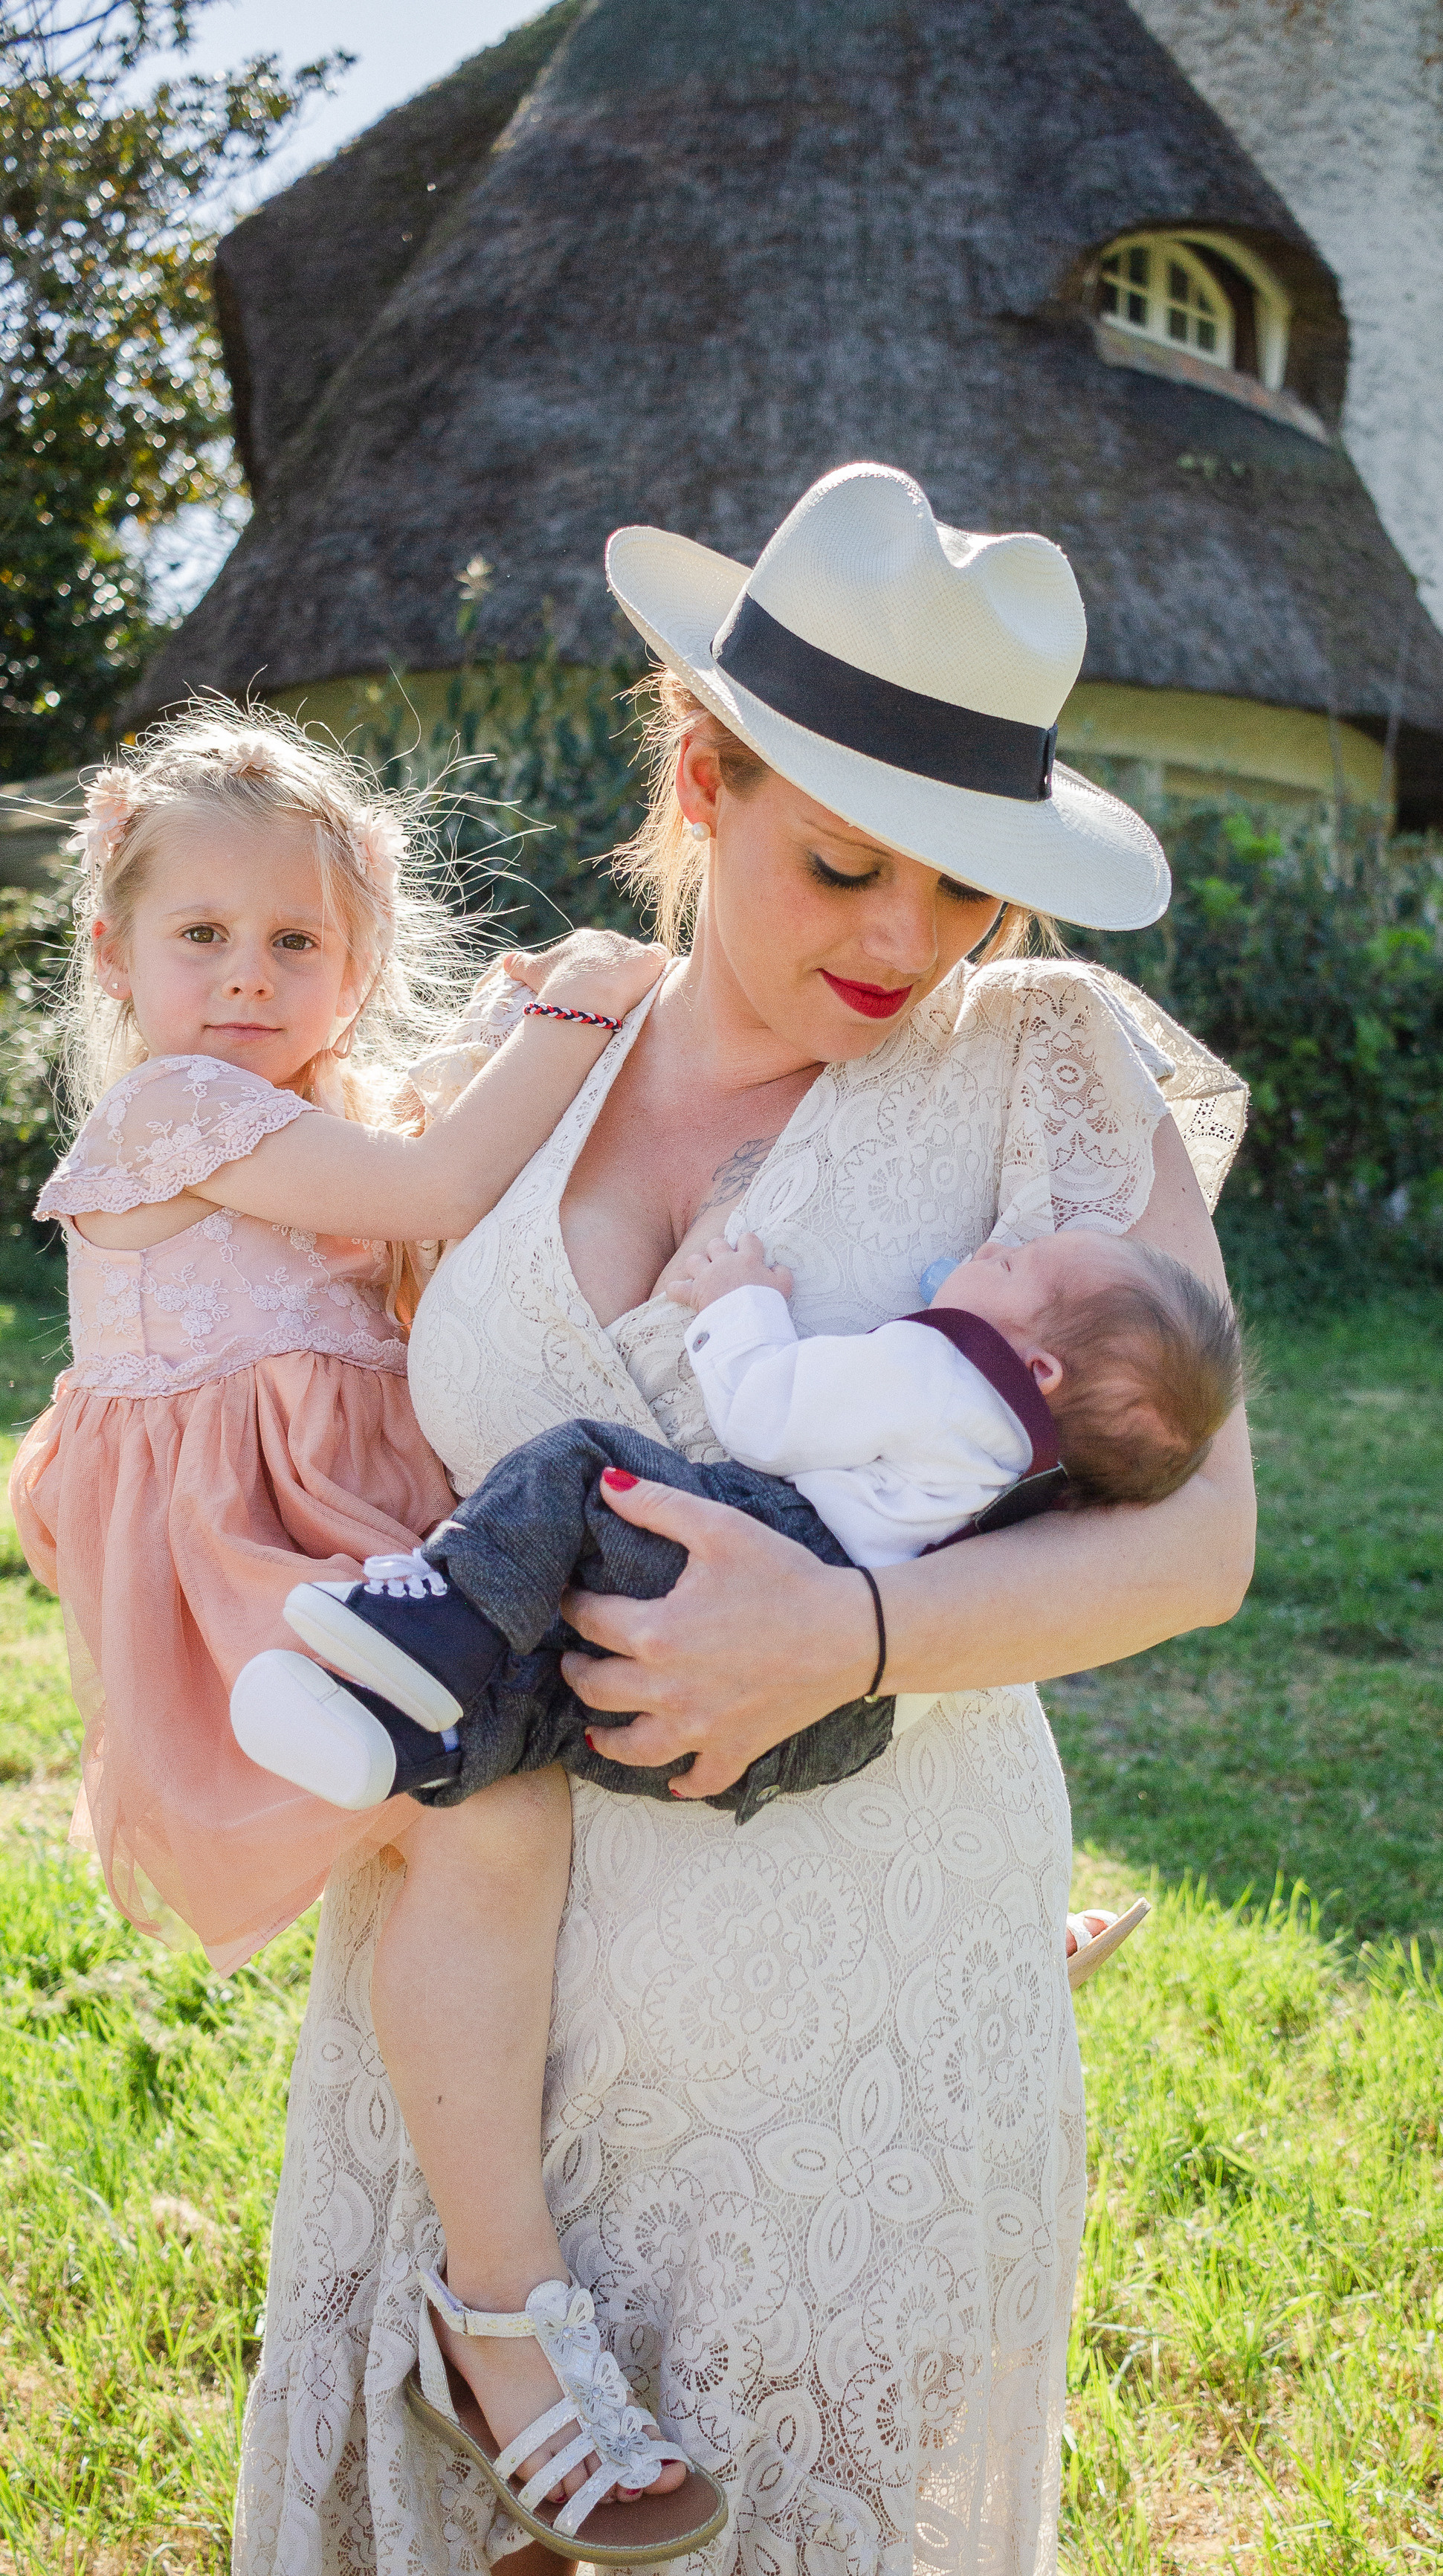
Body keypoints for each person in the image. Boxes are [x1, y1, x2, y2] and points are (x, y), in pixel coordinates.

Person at [235, 461, 1256, 2576]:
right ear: (703, 777)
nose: (908, 944)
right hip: (475, 2020)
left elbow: (1195, 1548)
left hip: (844, 2017)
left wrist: (845, 1635)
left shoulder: (1046, 1069)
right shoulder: (542, 1047)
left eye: (963, 893)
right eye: (845, 866)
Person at [6, 708, 731, 2564]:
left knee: (612, 1710)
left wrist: (509, 1048)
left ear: (357, 958)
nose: (249, 976)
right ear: (114, 954)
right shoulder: (174, 1110)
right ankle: (498, 2316)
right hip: (247, 1559)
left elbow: (429, 1187)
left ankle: (882, 1937)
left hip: (351, 1523)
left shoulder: (311, 1108)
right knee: (482, 1810)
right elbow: (433, 1198)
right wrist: (576, 1009)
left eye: (298, 944)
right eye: (203, 938)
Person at [228, 1223, 1242, 1820]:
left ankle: (434, 1625)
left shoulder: (951, 1379)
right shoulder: (1023, 1485)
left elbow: (768, 1415)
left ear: (1038, 1369)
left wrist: (740, 1301)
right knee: (572, 1699)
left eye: (1015, 1265)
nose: (991, 1251)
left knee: (585, 1467)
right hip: (831, 1725)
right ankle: (410, 1748)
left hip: (770, 1564)